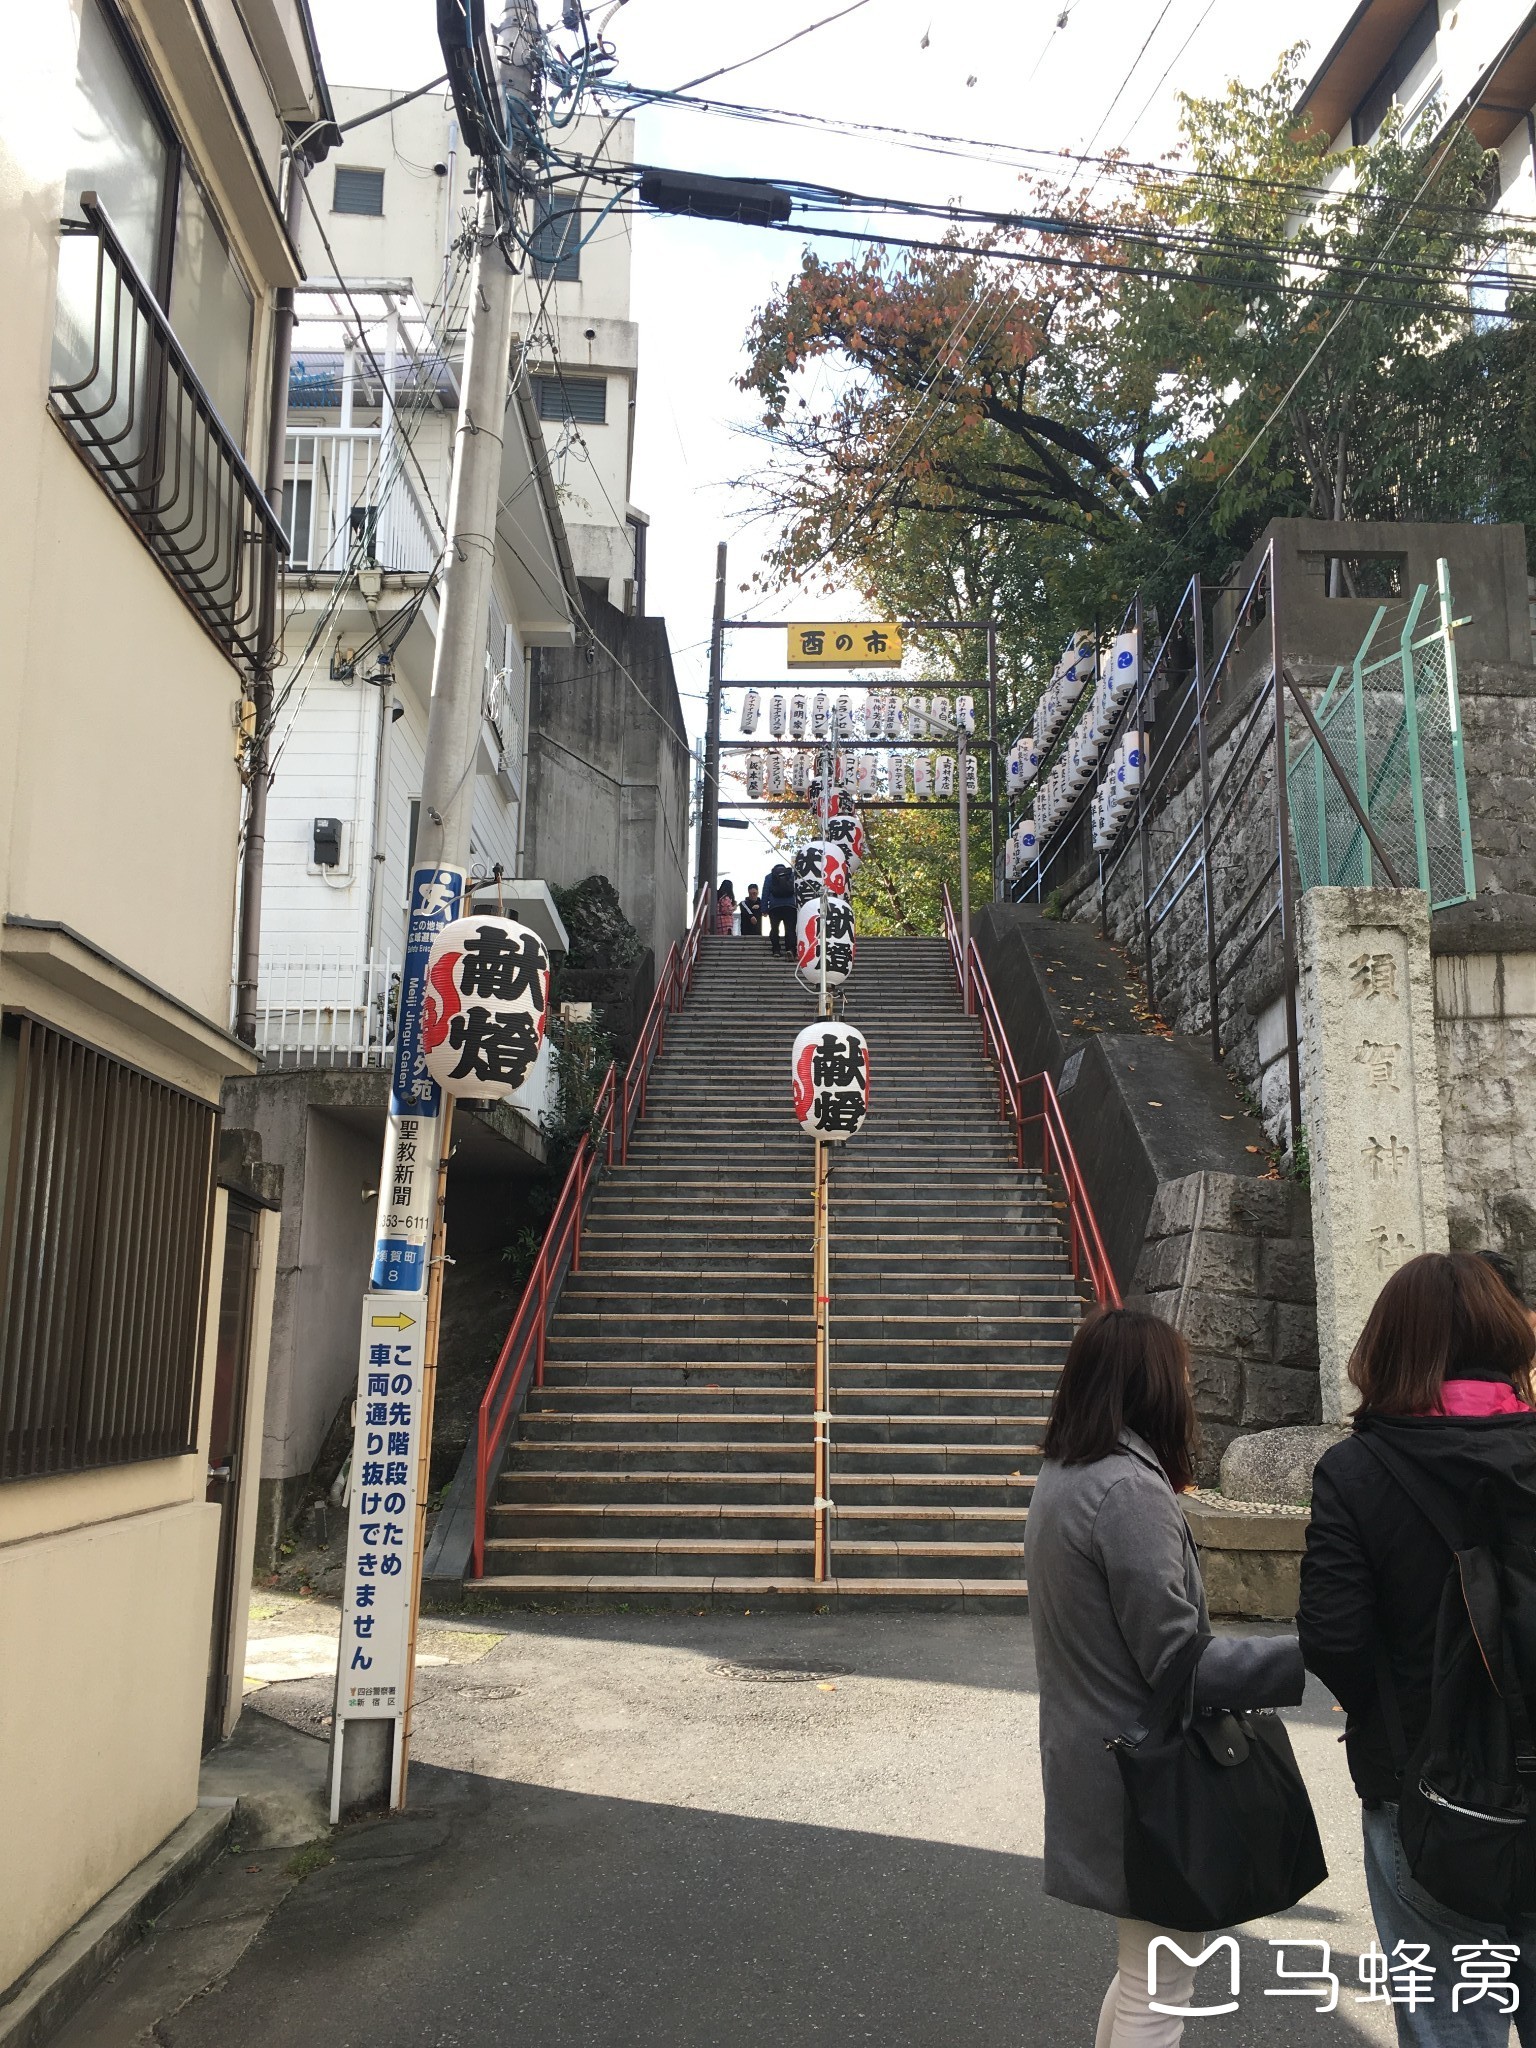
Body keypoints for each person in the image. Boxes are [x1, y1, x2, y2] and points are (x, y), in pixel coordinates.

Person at [1025, 1306, 1305, 2048]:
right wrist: (1314, 1654)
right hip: (1145, 1773)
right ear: (1150, 1385)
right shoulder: (1128, 1491)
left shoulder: (1068, 1473)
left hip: (1100, 1756)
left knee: (1146, 1972)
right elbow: (1182, 1660)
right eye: (1180, 1374)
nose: (1189, 1386)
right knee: (1163, 1984)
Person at [1298, 1251, 1536, 2047]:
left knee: (1444, 2018)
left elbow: (1332, 1635)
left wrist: (1389, 1714)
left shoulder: (1355, 1472)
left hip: (1423, 1793)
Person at [763, 861, 796, 957]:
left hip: (774, 907)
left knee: (774, 928)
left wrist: (764, 908)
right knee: (790, 929)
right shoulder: (792, 875)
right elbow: (797, 890)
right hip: (790, 906)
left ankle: (776, 950)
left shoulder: (769, 877)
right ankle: (790, 950)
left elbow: (765, 893)